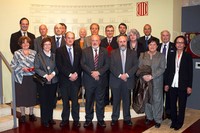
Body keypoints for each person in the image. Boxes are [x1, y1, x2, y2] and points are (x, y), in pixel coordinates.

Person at [164, 36, 193, 130]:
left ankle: (180, 122)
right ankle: (174, 121)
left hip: (183, 85)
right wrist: (167, 84)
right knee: (172, 104)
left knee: (181, 105)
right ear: (175, 44)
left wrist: (189, 86)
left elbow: (190, 72)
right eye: (177, 42)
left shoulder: (188, 56)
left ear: (184, 45)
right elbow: (168, 71)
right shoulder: (171, 55)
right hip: (172, 84)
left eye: (181, 43)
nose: (179, 44)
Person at [81, 35, 109, 127]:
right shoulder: (85, 51)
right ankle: (88, 119)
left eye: (96, 40)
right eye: (93, 40)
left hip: (101, 80)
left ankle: (100, 119)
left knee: (100, 101)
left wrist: (98, 72)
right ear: (90, 41)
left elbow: (107, 65)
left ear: (99, 41)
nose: (94, 42)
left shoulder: (104, 51)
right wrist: (92, 73)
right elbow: (83, 64)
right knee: (89, 101)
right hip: (89, 80)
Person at [109, 35, 138, 126]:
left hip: (127, 80)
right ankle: (114, 118)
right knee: (116, 101)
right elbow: (111, 66)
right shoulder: (113, 53)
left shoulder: (132, 53)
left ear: (127, 42)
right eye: (120, 41)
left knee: (127, 101)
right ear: (118, 43)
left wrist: (127, 75)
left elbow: (135, 65)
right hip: (116, 80)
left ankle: (127, 118)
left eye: (124, 41)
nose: (122, 43)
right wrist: (120, 75)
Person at [56, 32, 82, 127]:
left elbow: (80, 64)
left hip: (76, 80)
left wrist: (76, 74)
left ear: (74, 39)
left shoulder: (78, 50)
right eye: (68, 38)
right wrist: (69, 74)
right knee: (65, 101)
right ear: (65, 39)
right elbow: (59, 65)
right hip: (64, 80)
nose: (70, 40)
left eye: (72, 38)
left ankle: (76, 120)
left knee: (75, 102)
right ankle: (65, 119)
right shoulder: (59, 50)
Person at [138, 38, 165, 128]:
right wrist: (144, 76)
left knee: (157, 101)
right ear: (148, 46)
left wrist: (152, 76)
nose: (152, 46)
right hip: (145, 82)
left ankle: (158, 119)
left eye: (154, 44)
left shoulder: (161, 56)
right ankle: (149, 117)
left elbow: (162, 68)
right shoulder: (142, 55)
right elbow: (139, 67)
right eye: (150, 44)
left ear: (157, 46)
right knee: (147, 100)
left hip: (156, 81)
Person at [10, 36, 37, 123]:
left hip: (32, 77)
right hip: (20, 78)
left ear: (30, 43)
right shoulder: (16, 53)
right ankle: (22, 115)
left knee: (31, 95)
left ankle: (31, 113)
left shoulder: (34, 53)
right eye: (23, 42)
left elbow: (38, 64)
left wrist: (34, 68)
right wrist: (21, 68)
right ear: (20, 44)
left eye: (27, 42)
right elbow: (12, 65)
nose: (25, 44)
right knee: (22, 97)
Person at [34, 37, 58, 127]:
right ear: (42, 46)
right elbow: (36, 68)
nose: (47, 46)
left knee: (51, 101)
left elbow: (57, 67)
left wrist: (52, 74)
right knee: (44, 101)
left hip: (53, 81)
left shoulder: (54, 56)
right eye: (45, 44)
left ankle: (50, 118)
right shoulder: (38, 56)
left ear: (51, 46)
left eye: (49, 44)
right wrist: (45, 75)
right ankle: (44, 120)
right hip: (43, 82)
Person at [157, 30, 176, 119]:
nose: (165, 37)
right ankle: (159, 112)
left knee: (169, 95)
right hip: (159, 75)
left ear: (169, 36)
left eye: (167, 35)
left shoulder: (174, 47)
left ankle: (169, 113)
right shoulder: (157, 46)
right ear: (161, 36)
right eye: (163, 35)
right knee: (159, 95)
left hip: (169, 75)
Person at [100, 25, 118, 106]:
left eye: (111, 30)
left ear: (113, 32)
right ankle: (105, 100)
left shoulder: (117, 41)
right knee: (105, 84)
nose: (109, 32)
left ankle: (114, 100)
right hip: (104, 66)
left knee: (114, 84)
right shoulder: (102, 41)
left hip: (115, 66)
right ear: (105, 32)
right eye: (108, 30)